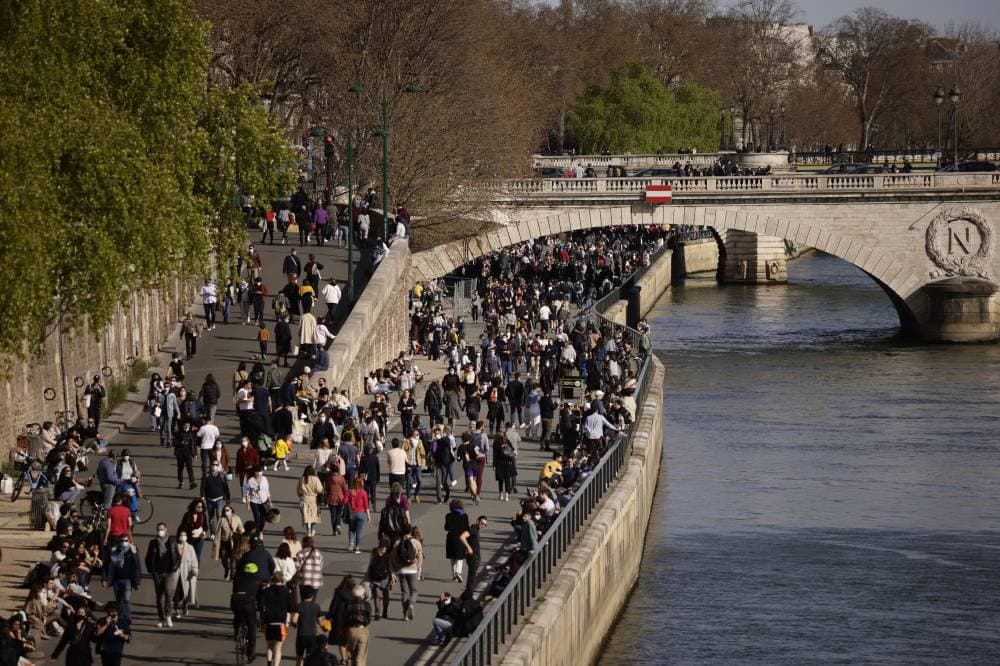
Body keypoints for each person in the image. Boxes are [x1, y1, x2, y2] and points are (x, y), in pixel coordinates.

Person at [145, 523, 180, 628]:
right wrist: (152, 571)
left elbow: (178, 557)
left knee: (169, 595)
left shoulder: (172, 541)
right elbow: (148, 559)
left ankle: (168, 615)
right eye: (158, 529)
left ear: (166, 529)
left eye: (162, 529)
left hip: (169, 573)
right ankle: (161, 618)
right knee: (160, 598)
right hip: (158, 574)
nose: (160, 531)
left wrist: (174, 568)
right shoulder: (153, 543)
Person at [103, 537, 141, 622]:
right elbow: (106, 564)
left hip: (128, 580)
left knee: (126, 599)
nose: (124, 542)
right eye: (122, 541)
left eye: (126, 541)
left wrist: (137, 581)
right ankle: (120, 617)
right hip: (116, 580)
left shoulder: (132, 551)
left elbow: (137, 565)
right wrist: (104, 578)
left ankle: (127, 618)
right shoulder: (114, 551)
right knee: (119, 600)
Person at [259, 572, 293, 666]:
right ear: (282, 580)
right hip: (280, 622)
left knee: (269, 645)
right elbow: (290, 608)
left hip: (269, 622)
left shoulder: (266, 591)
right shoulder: (286, 592)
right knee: (278, 648)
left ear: (272, 579)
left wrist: (263, 617)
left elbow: (260, 605)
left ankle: (269, 663)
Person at [50, 599, 98, 664]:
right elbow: (63, 641)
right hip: (72, 655)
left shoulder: (90, 626)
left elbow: (94, 639)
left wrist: (98, 632)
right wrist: (55, 655)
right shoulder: (71, 626)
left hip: (85, 655)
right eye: (78, 613)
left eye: (82, 613)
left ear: (86, 615)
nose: (80, 615)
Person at [231, 563, 262, 663]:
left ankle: (236, 632)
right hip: (249, 605)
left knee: (237, 616)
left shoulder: (237, 578)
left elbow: (234, 590)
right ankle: (251, 653)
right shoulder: (257, 581)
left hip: (236, 603)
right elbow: (259, 597)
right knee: (251, 626)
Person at [391, 526, 423, 621]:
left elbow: (392, 557)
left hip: (401, 570)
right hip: (412, 569)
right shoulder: (416, 542)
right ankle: (411, 605)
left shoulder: (397, 542)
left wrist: (394, 570)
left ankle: (405, 614)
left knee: (404, 592)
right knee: (414, 590)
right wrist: (419, 570)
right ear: (410, 532)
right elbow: (420, 557)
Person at [324, 575, 355, 663]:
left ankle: (344, 658)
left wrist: (328, 617)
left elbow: (333, 606)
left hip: (339, 619)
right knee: (347, 639)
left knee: (341, 640)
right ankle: (349, 656)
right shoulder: (353, 593)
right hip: (350, 620)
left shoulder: (339, 592)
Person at [169, 530, 199, 618]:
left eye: (184, 535)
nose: (183, 536)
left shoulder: (190, 548)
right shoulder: (173, 546)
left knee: (186, 592)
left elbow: (194, 560)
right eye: (181, 535)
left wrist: (194, 569)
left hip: (186, 573)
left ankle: (185, 605)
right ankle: (176, 610)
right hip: (175, 573)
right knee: (176, 591)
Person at [292, 585, 322, 666]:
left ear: (301, 595)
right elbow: (320, 622)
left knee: (299, 657)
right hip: (312, 635)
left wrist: (294, 624)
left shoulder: (299, 606)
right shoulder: (316, 606)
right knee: (310, 658)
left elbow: (294, 620)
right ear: (312, 596)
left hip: (301, 635)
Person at [214, 503, 245, 581]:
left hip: (233, 541)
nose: (226, 512)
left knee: (233, 558)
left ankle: (232, 573)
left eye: (227, 510)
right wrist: (216, 542)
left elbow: (241, 528)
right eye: (224, 510)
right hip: (224, 541)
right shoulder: (221, 519)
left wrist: (240, 532)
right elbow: (218, 532)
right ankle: (226, 569)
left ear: (231, 510)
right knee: (224, 558)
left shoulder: (236, 518)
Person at [94, 602, 130, 666]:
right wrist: (106, 625)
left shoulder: (123, 622)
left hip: (116, 650)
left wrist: (121, 635)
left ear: (117, 611)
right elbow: (97, 634)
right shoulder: (102, 620)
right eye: (109, 611)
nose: (110, 614)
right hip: (105, 650)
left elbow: (129, 637)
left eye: (113, 612)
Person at [444, 499, 471, 583]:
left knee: (452, 557)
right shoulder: (464, 515)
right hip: (461, 538)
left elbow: (446, 527)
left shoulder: (448, 515)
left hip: (451, 538)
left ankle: (454, 575)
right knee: (460, 557)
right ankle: (458, 572)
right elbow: (467, 528)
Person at [366, 536, 393, 620]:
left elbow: (370, 564)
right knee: (386, 595)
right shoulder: (389, 552)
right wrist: (392, 577)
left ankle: (377, 611)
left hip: (374, 576)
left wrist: (367, 575)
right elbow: (390, 566)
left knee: (376, 595)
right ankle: (385, 611)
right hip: (385, 576)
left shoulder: (374, 551)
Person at [344, 584, 371, 665]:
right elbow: (368, 619)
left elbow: (345, 617)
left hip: (351, 630)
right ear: (363, 595)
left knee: (350, 655)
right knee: (361, 657)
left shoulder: (348, 604)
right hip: (362, 629)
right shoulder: (366, 605)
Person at [460, 515, 487, 595]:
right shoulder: (473, 529)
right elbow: (462, 537)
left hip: (475, 556)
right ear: (477, 521)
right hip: (473, 557)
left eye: (485, 524)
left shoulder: (476, 529)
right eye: (482, 523)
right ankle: (469, 594)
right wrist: (469, 548)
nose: (483, 525)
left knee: (472, 576)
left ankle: (468, 593)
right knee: (471, 577)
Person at [243, 467, 272, 537]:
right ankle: (258, 533)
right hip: (254, 502)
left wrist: (269, 499)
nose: (260, 473)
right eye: (258, 471)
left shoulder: (264, 479)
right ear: (255, 473)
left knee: (263, 519)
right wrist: (248, 504)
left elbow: (267, 489)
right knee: (257, 519)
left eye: (261, 471)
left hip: (264, 501)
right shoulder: (250, 481)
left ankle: (261, 530)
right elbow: (247, 493)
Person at [296, 466, 324, 538]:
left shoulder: (302, 479)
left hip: (304, 499)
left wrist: (300, 494)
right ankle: (312, 529)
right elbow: (320, 489)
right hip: (313, 499)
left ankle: (308, 530)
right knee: (313, 515)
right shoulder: (315, 479)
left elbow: (298, 491)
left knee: (306, 516)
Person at [345, 478, 371, 554]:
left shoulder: (350, 491)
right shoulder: (364, 492)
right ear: (361, 484)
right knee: (359, 531)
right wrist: (369, 516)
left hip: (352, 513)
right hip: (361, 514)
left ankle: (351, 544)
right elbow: (366, 506)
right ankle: (357, 547)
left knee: (351, 530)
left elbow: (344, 501)